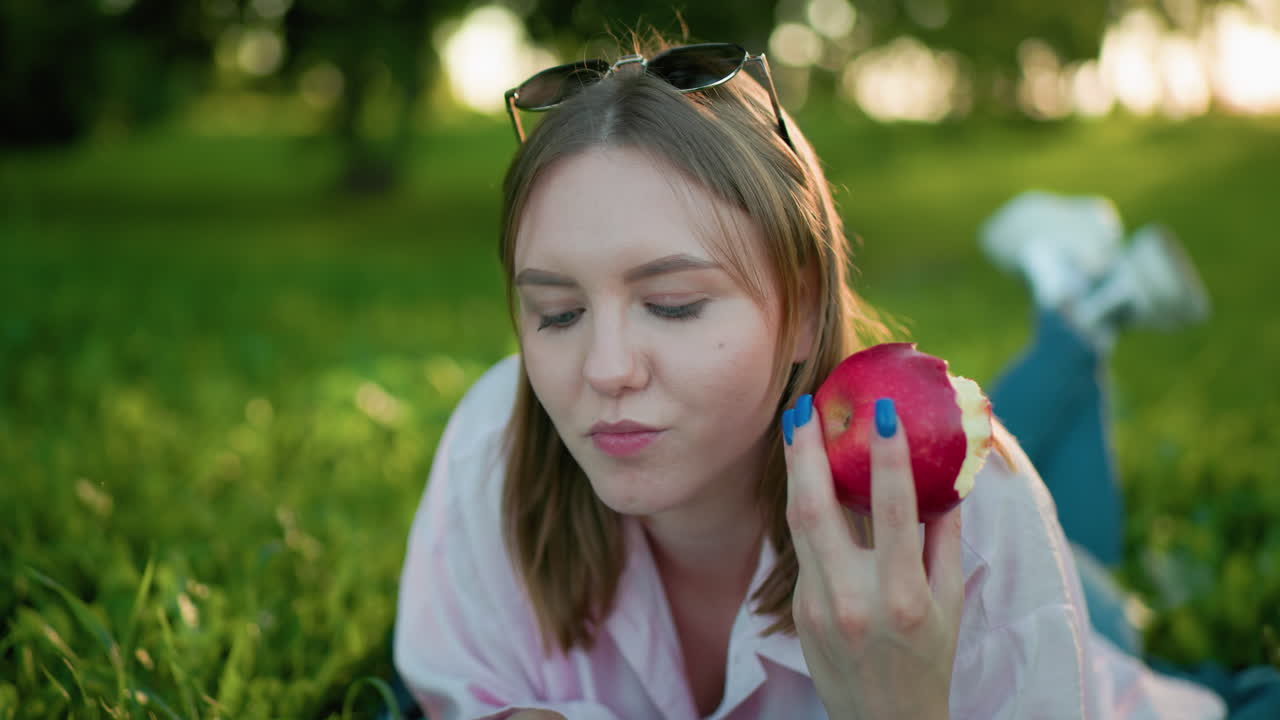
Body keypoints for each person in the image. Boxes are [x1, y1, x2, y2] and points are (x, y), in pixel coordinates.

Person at [392, 37, 1230, 719]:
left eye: (675, 304)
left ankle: (1076, 320)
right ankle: (1079, 308)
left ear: (800, 308)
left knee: (1088, 573)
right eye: (558, 314)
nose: (605, 370)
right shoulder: (494, 449)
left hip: (1078, 645)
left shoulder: (984, 530)